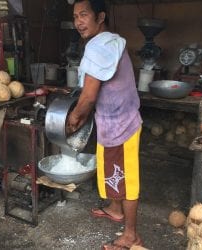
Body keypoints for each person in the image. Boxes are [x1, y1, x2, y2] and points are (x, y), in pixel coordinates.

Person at [66, 0, 143, 249]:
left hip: (121, 125)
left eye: (84, 15)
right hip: (114, 119)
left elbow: (88, 96)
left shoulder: (99, 48)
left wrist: (74, 119)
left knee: (126, 178)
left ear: (100, 17)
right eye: (76, 16)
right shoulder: (110, 40)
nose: (78, 21)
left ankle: (131, 235)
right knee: (111, 167)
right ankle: (115, 208)